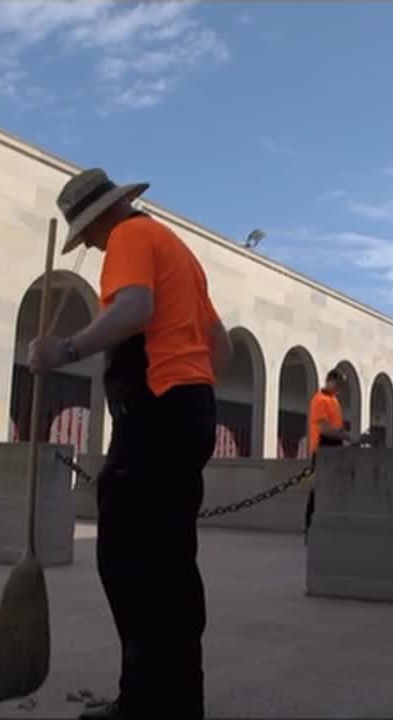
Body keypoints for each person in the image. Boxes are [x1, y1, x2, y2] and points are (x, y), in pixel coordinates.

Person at [28, 168, 232, 720]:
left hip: (157, 412)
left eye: (88, 233)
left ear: (99, 219)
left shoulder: (129, 237)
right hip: (191, 409)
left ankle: (146, 703)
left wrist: (65, 350)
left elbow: (134, 309)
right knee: (171, 563)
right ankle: (176, 701)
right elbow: (223, 346)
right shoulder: (179, 252)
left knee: (130, 561)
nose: (91, 245)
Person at [303, 369, 353, 541]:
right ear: (330, 380)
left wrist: (346, 437)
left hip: (335, 450)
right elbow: (324, 428)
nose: (340, 389)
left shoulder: (334, 401)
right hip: (322, 449)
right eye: (338, 385)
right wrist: (347, 436)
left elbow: (336, 428)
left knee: (332, 491)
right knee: (317, 492)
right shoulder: (320, 400)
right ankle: (310, 530)